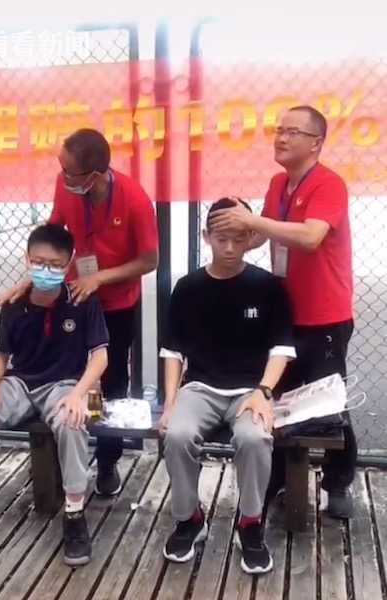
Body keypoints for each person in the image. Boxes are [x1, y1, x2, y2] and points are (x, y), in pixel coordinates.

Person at [0, 129, 158, 496]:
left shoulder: (135, 200)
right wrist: (31, 280)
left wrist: (99, 278)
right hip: (71, 297)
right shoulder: (66, 186)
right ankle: (59, 455)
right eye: (60, 167)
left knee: (108, 383)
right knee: (63, 374)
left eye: (68, 170)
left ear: (94, 176)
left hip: (116, 304)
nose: (61, 175)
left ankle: (108, 460)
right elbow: (52, 234)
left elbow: (150, 260)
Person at [209, 105, 356, 518]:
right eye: (278, 130)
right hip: (284, 311)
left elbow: (309, 237)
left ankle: (337, 482)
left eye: (292, 131)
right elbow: (265, 233)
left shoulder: (329, 184)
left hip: (325, 314)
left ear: (316, 143)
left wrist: (254, 221)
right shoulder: (278, 183)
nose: (281, 137)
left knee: (327, 403)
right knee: (276, 400)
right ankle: (276, 479)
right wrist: (234, 233)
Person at [0, 224, 109, 566]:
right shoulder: (14, 304)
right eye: (38, 262)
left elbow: (100, 356)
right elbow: (0, 353)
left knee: (72, 422)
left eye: (55, 265)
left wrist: (80, 394)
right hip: (21, 384)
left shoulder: (82, 301)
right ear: (26, 259)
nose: (46, 270)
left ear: (69, 263)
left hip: (64, 384)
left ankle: (74, 514)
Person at [159, 197, 295, 574]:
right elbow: (172, 352)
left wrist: (264, 392)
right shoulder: (188, 287)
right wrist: (170, 402)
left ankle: (249, 522)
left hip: (250, 390)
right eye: (222, 239)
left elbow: (281, 350)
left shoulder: (267, 286)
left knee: (254, 438)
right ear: (206, 237)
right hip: (200, 387)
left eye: (239, 238)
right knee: (177, 434)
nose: (230, 248)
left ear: (252, 237)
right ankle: (189, 518)